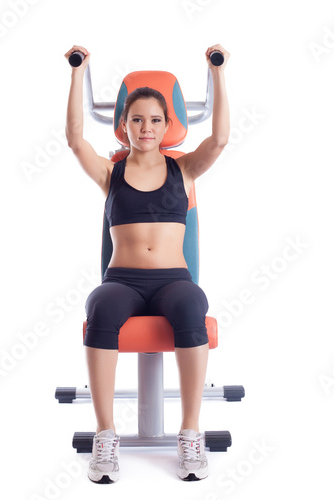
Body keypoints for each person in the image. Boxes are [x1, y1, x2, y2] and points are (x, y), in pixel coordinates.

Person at [64, 43, 230, 483]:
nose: (146, 127)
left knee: (193, 307)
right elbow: (75, 138)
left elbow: (219, 139)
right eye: (136, 119)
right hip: (123, 281)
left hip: (174, 280)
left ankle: (190, 433)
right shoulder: (110, 172)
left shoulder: (185, 169)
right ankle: (105, 437)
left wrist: (218, 72)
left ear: (167, 125)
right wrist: (77, 72)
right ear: (124, 125)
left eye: (155, 120)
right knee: (100, 307)